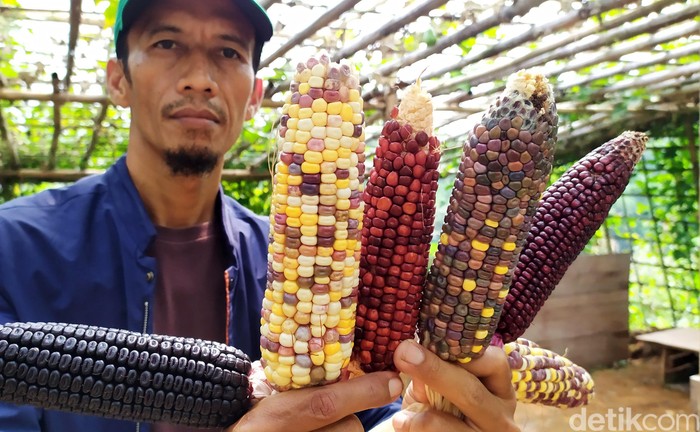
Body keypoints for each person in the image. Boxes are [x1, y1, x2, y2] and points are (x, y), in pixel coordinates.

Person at [0, 0, 519, 431]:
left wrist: (413, 423)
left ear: (254, 97)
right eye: (166, 44)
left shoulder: (309, 259)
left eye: (227, 51)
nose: (200, 79)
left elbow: (367, 407)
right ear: (117, 79)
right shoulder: (14, 248)